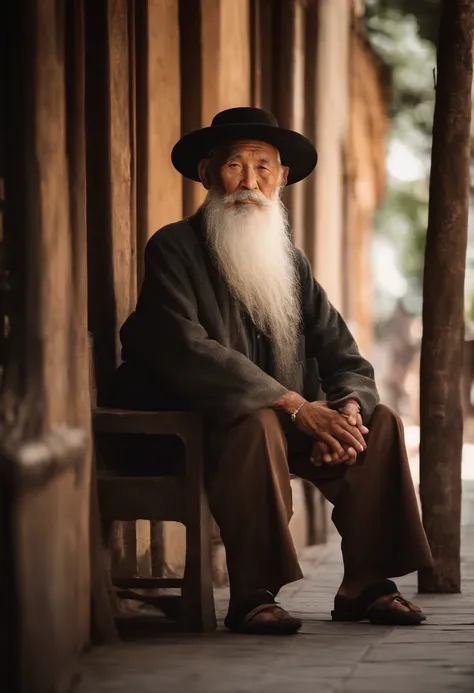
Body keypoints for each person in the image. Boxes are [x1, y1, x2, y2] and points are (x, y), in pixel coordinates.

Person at [112, 107, 433, 634]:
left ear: (281, 179)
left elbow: (344, 355)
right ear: (207, 173)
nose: (250, 182)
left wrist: (348, 412)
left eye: (264, 167)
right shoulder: (173, 247)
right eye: (235, 165)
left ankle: (367, 585)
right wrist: (296, 407)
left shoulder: (291, 261)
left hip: (288, 421)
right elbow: (186, 348)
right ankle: (253, 593)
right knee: (258, 422)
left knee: (383, 424)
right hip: (198, 425)